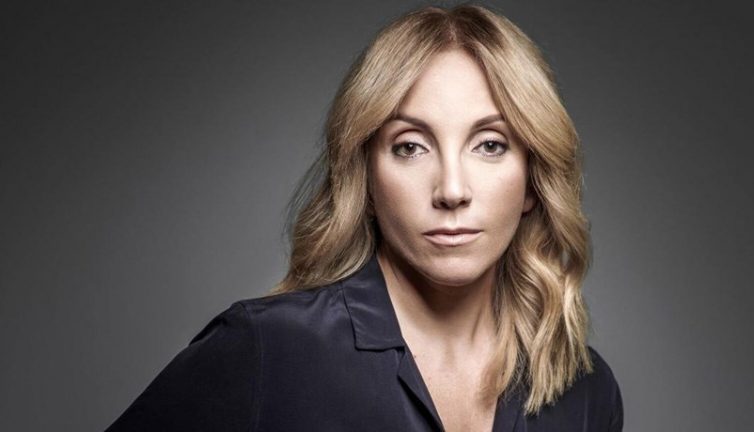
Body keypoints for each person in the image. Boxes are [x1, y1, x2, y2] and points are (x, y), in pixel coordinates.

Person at [105, 4, 623, 431]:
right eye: (410, 146)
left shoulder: (586, 394)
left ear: (532, 179)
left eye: (490, 144)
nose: (452, 190)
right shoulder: (269, 349)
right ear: (367, 180)